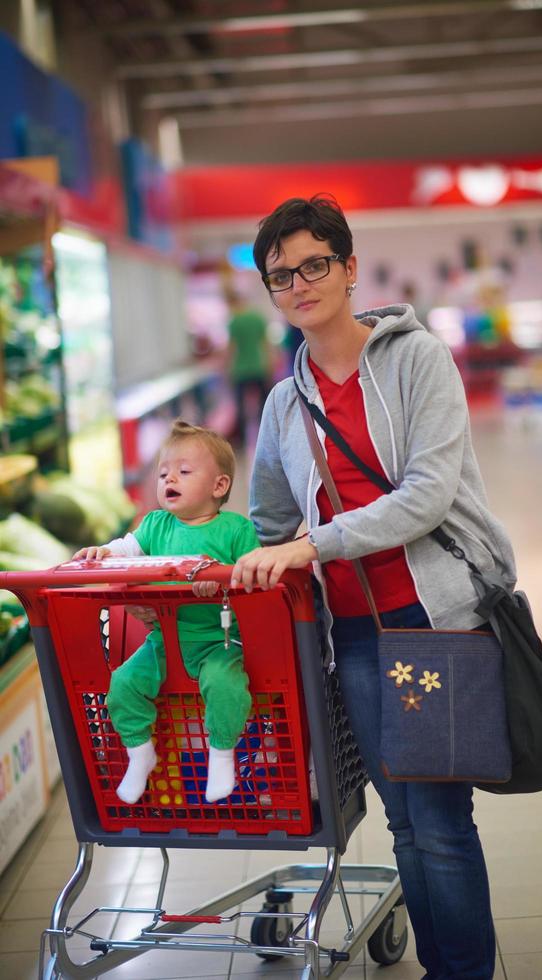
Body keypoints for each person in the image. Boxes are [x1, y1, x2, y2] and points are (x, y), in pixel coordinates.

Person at [230, 195, 517, 980]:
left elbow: (426, 494)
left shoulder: (416, 359)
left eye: (314, 264)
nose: (299, 283)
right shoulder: (284, 404)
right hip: (351, 634)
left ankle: (461, 973)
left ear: (350, 269)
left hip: (432, 621)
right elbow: (268, 520)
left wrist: (309, 547)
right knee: (402, 823)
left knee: (439, 819)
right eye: (280, 274)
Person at [74, 419, 259, 806]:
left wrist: (224, 582)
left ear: (219, 486)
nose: (169, 478)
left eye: (184, 471)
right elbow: (129, 548)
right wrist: (104, 552)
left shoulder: (236, 530)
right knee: (123, 684)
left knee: (225, 687)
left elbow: (255, 579)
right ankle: (140, 753)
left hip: (219, 641)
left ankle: (221, 754)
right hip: (163, 642)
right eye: (162, 473)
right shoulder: (155, 524)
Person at [225, 289, 272, 446]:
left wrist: (227, 370)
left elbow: (231, 349)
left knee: (240, 407)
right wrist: (270, 364)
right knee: (264, 404)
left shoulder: (234, 322)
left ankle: (242, 441)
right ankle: (265, 436)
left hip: (240, 369)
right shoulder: (257, 318)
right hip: (259, 366)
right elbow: (266, 344)